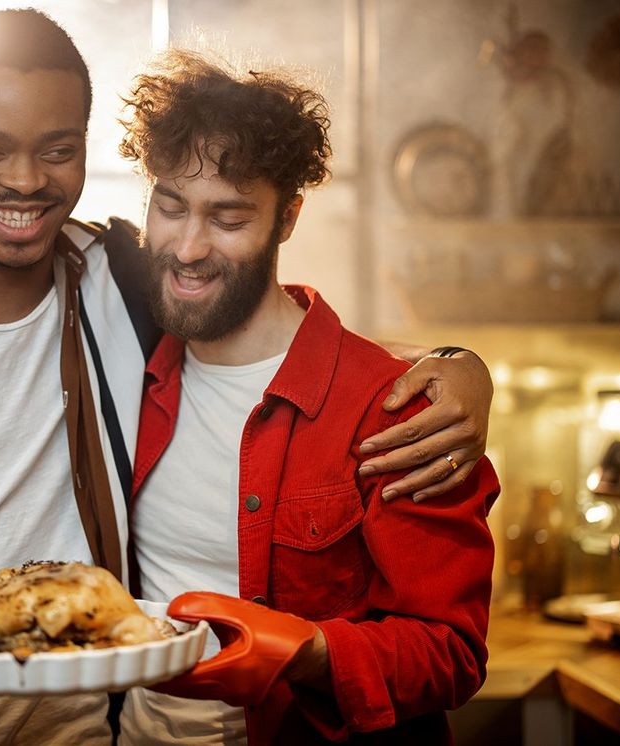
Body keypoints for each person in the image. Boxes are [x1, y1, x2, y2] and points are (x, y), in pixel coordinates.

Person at [0, 9, 491, 746]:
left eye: (57, 149)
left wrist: (460, 368)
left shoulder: (122, 286)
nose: (26, 180)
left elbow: (302, 353)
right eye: (170, 205)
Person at [113, 51, 500, 745]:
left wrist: (305, 652)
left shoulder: (396, 410)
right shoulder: (129, 350)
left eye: (229, 219)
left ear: (287, 219)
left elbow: (452, 652)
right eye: (170, 207)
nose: (189, 247)